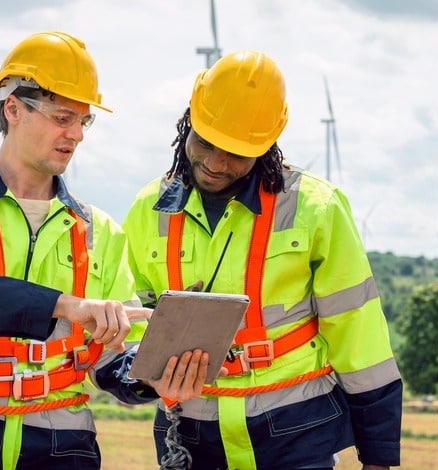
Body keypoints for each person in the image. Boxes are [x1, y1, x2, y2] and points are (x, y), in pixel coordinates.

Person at [0, 31, 209, 470]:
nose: (76, 134)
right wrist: (65, 307)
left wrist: (156, 376)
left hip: (62, 446)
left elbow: (113, 357)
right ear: (13, 108)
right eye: (62, 117)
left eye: (84, 121)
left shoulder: (100, 233)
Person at [122, 50, 403, 469]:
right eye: (206, 142)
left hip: (294, 428)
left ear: (268, 141)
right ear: (189, 122)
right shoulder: (148, 209)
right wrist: (142, 377)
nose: (216, 164)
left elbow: (361, 340)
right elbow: (127, 321)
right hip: (190, 431)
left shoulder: (316, 208)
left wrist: (379, 457)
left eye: (236, 152)